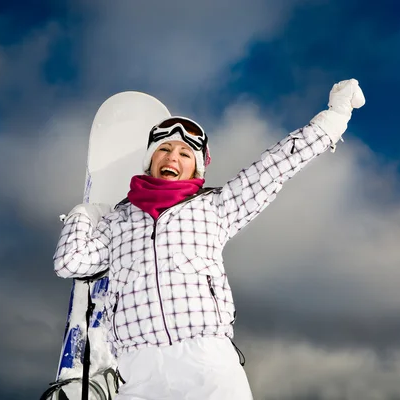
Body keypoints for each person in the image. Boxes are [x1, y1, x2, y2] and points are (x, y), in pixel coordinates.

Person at [53, 79, 366, 399]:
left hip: (206, 364)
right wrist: (85, 213)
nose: (172, 157)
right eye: (164, 149)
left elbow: (276, 166)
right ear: (150, 160)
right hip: (138, 371)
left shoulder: (214, 206)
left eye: (184, 152)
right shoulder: (119, 222)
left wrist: (336, 115)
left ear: (197, 167)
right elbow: (70, 262)